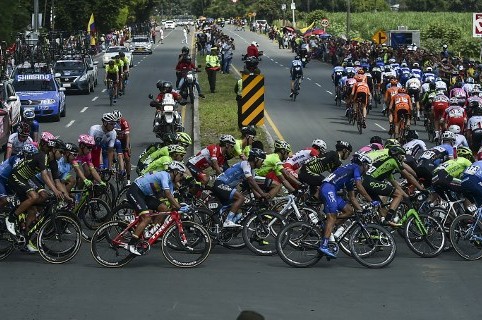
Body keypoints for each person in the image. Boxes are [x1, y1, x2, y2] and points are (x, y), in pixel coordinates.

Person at [318, 153, 375, 258]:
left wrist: (360, 210)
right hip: (328, 188)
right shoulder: (356, 167)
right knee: (332, 216)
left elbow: (352, 198)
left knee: (349, 211)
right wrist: (371, 201)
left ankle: (329, 227)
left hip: (332, 190)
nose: (368, 169)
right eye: (368, 166)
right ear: (363, 164)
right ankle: (324, 245)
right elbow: (359, 186)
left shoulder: (350, 176)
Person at [126, 161, 187, 255]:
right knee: (147, 217)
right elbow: (167, 194)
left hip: (144, 195)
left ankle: (151, 231)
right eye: (181, 175)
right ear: (175, 172)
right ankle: (131, 244)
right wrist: (178, 207)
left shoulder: (170, 182)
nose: (181, 178)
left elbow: (171, 199)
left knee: (164, 208)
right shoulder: (164, 176)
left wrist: (182, 207)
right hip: (135, 191)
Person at [364, 145, 425, 226]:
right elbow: (409, 176)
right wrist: (421, 188)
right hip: (370, 182)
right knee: (398, 195)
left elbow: (395, 184)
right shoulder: (393, 160)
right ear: (398, 155)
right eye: (402, 156)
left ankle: (378, 230)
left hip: (366, 182)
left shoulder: (388, 165)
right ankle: (388, 219)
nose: (403, 158)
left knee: (381, 210)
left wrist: (406, 196)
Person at [213, 148, 271, 227]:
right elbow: (250, 180)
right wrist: (262, 193)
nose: (263, 163)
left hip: (226, 187)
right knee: (241, 198)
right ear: (256, 159)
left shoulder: (252, 170)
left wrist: (260, 197)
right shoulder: (245, 164)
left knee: (239, 212)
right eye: (262, 161)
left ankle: (223, 226)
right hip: (220, 183)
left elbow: (252, 186)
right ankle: (228, 221)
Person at [113, 110, 132, 184]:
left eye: (118, 120)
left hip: (123, 140)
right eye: (115, 120)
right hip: (115, 140)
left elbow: (127, 136)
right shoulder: (111, 122)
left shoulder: (124, 122)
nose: (117, 122)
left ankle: (128, 178)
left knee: (127, 158)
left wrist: (127, 146)